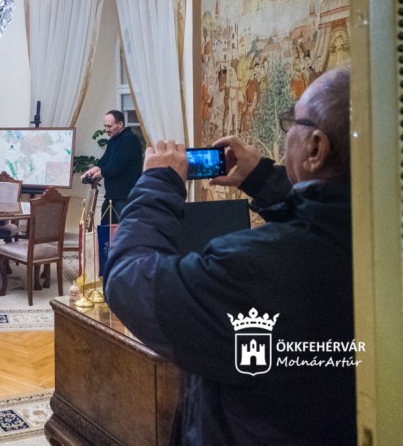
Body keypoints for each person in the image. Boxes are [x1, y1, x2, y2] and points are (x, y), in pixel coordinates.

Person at [103, 68, 354, 444]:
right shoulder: (381, 239)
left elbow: (128, 280)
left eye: (292, 124)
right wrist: (264, 178)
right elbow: (329, 213)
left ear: (316, 148)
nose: (287, 134)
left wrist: (157, 183)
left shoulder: (257, 264)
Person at [80, 110, 143, 223]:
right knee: (105, 229)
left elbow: (116, 167)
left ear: (120, 124)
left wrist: (96, 175)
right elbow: (104, 161)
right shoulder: (113, 140)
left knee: (123, 230)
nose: (106, 129)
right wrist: (90, 172)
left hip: (125, 196)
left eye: (109, 126)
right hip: (112, 195)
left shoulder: (130, 140)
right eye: (105, 126)